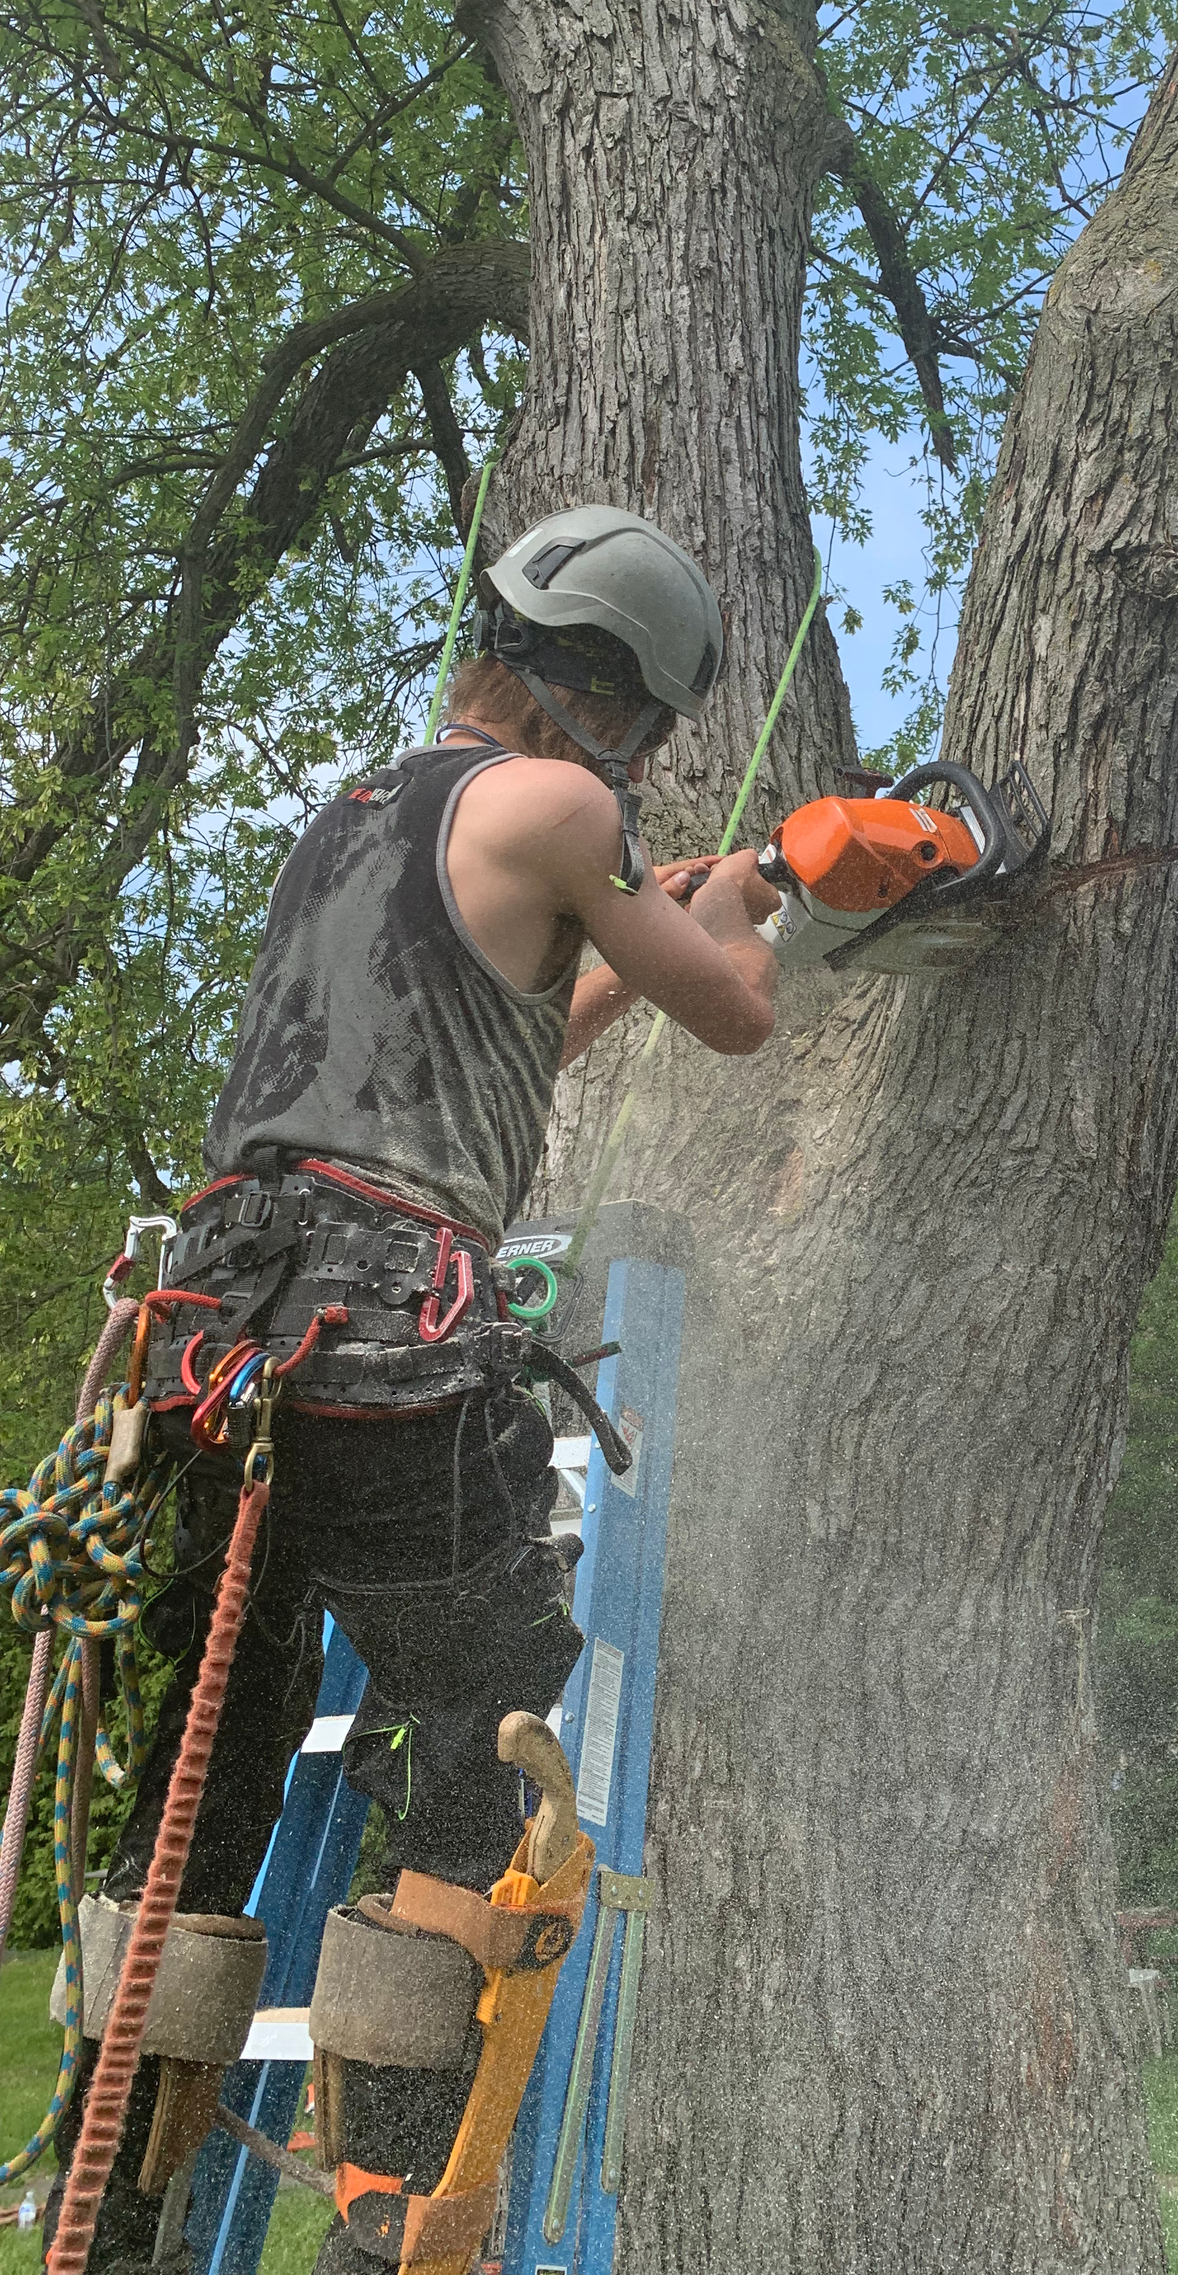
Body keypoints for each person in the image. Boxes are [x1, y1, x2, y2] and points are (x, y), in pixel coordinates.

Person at [44, 507, 779, 2275]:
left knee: (210, 1753)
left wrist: (621, 941)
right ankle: (390, 2219)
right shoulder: (570, 805)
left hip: (221, 1334)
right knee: (483, 1719)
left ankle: (113, 2209)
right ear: (612, 696)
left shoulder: (360, 815)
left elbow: (507, 1025)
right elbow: (741, 1014)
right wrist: (748, 911)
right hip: (379, 1329)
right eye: (644, 727)